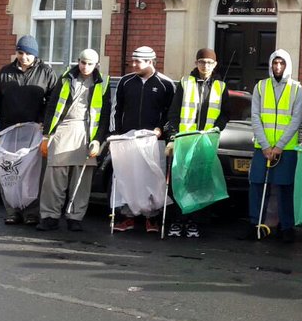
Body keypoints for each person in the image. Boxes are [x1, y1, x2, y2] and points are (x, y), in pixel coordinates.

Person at [0, 34, 58, 225]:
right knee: (10, 173)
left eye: (28, 54)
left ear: (35, 55)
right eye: (20, 53)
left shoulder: (47, 73)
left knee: (32, 173)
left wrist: (45, 125)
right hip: (9, 130)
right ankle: (12, 210)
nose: (24, 57)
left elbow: (53, 103)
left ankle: (31, 211)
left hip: (34, 132)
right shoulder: (5, 73)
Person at [37, 49, 108, 231]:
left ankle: (75, 217)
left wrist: (98, 140)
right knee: (54, 177)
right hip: (63, 128)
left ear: (96, 65)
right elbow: (52, 106)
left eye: (90, 64)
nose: (85, 67)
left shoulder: (103, 83)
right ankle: (49, 216)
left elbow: (105, 116)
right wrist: (46, 134)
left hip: (86, 131)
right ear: (78, 61)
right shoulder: (66, 78)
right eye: (83, 62)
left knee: (82, 179)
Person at [163, 48, 230, 238]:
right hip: (184, 141)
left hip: (206, 142)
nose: (205, 66)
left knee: (200, 183)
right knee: (180, 182)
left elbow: (225, 113)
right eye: (201, 62)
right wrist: (173, 137)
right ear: (196, 63)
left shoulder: (221, 86)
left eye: (209, 63)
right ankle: (177, 220)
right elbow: (174, 113)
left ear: (215, 65)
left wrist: (217, 127)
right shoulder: (185, 82)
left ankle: (194, 222)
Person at [111, 45, 175, 233]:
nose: (134, 64)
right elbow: (117, 109)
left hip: (153, 140)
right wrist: (116, 134)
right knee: (128, 178)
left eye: (138, 61)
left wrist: (161, 130)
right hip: (128, 139)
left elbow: (171, 113)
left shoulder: (166, 84)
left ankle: (152, 218)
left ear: (150, 62)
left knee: (152, 178)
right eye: (133, 60)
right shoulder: (125, 82)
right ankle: (128, 216)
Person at [249, 49, 302, 242]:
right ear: (271, 64)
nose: (278, 66)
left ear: (287, 65)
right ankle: (255, 223)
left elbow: (296, 119)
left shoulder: (297, 88)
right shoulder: (260, 87)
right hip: (262, 147)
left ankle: (286, 227)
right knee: (257, 183)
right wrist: (265, 145)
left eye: (282, 63)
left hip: (286, 148)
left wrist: (279, 145)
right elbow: (255, 116)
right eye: (275, 63)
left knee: (284, 187)